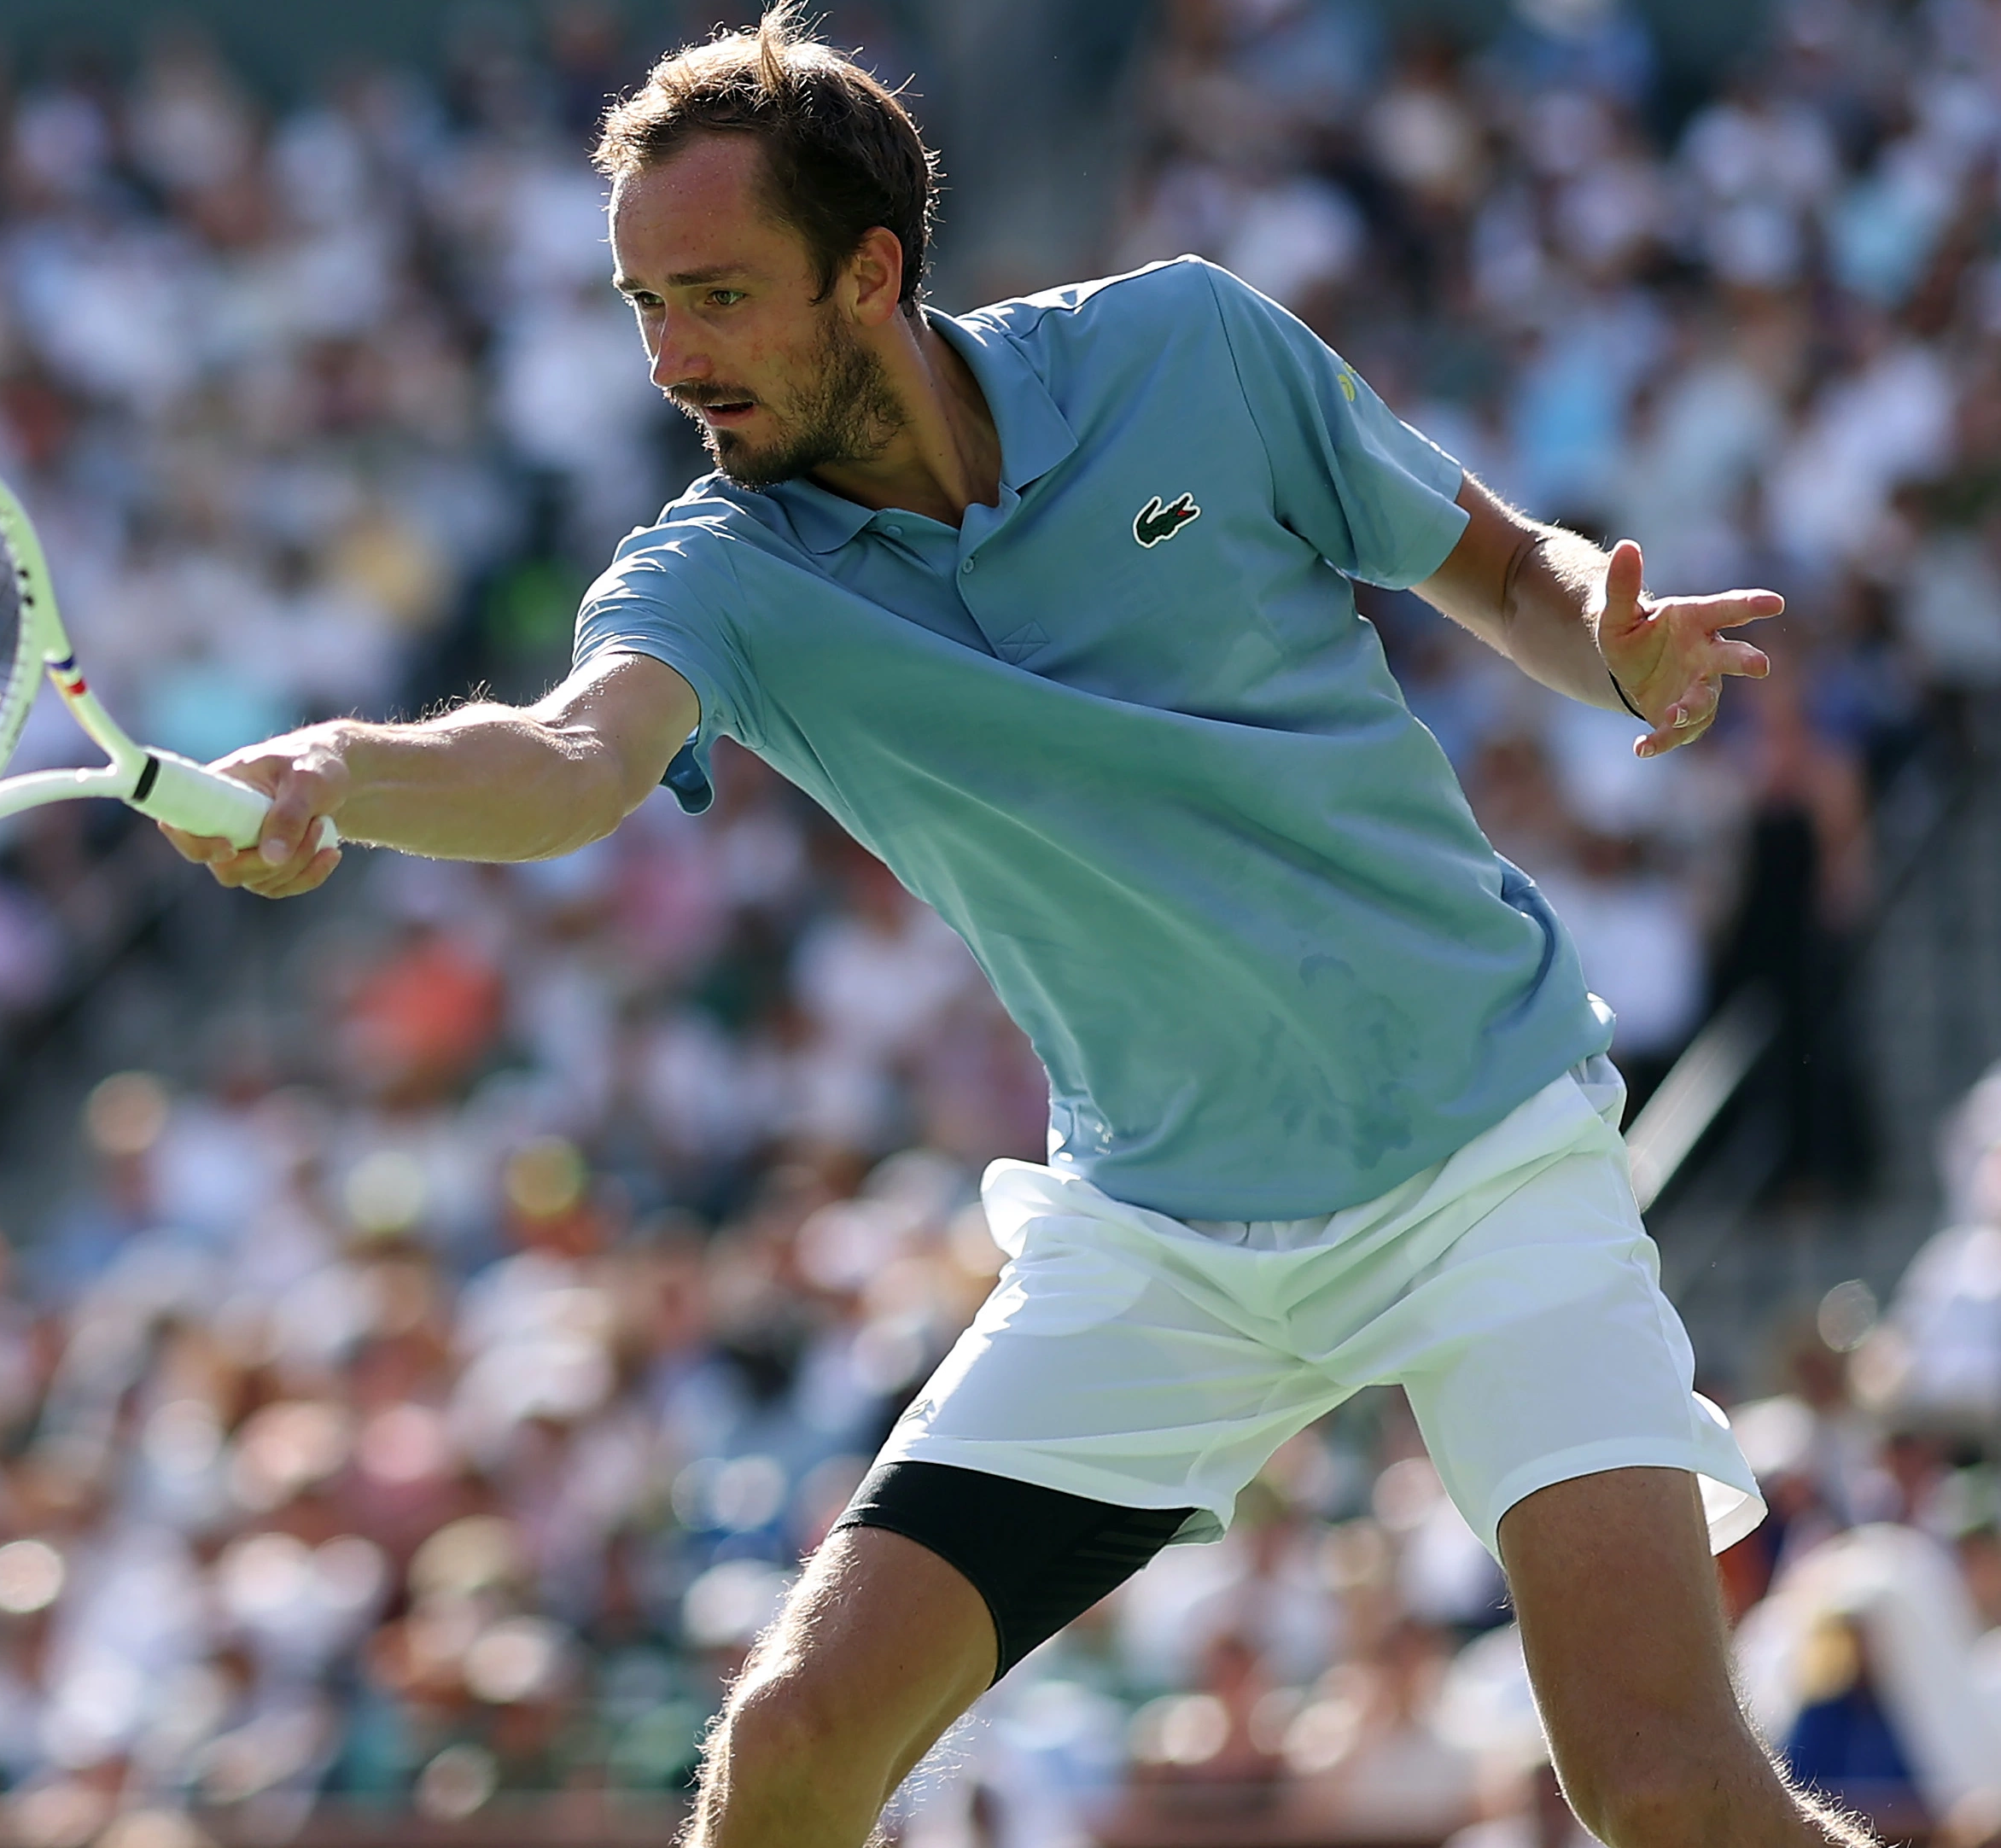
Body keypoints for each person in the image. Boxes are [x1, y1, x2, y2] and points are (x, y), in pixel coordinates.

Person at [164, 9, 1844, 1845]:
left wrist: (1608, 645)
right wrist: (345, 765)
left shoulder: (1188, 345)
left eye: (716, 297)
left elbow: (1502, 567)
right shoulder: (718, 574)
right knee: (794, 1743)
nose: (671, 358)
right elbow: (568, 760)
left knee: (1664, 1784)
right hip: (1163, 1234)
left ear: (870, 272)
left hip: (1482, 1151)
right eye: (644, 305)